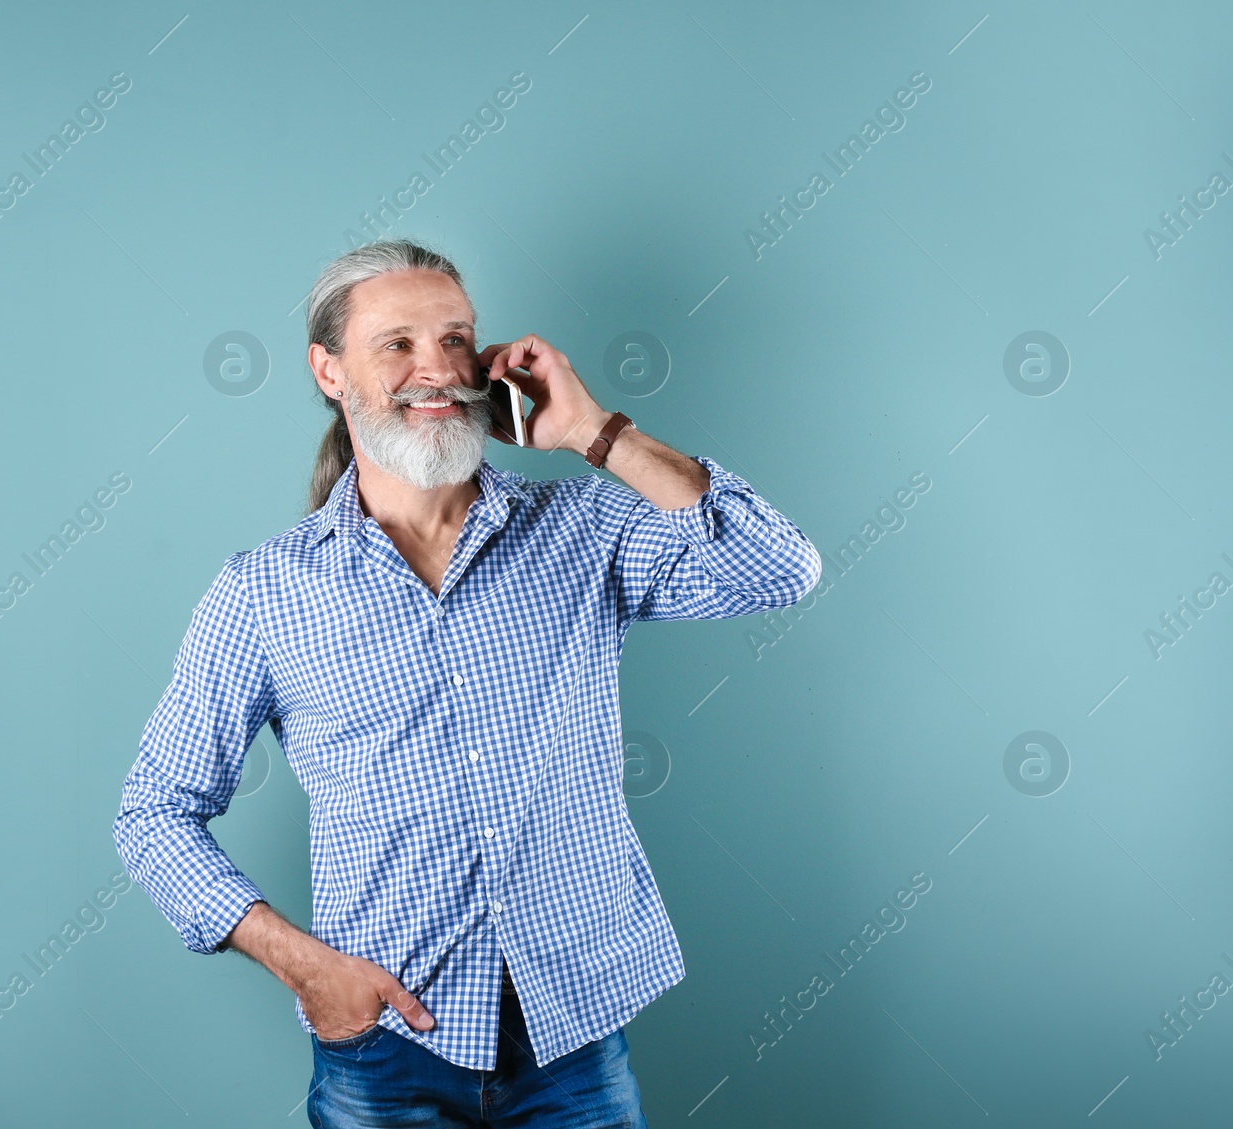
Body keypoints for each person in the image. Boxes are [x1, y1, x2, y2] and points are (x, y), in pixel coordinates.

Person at [113, 238, 821, 1127]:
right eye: (397, 344)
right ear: (328, 371)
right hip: (386, 1052)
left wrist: (596, 434)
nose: (436, 370)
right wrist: (307, 967)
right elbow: (152, 813)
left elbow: (779, 570)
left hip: (576, 1040)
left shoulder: (583, 525)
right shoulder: (263, 591)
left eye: (455, 340)